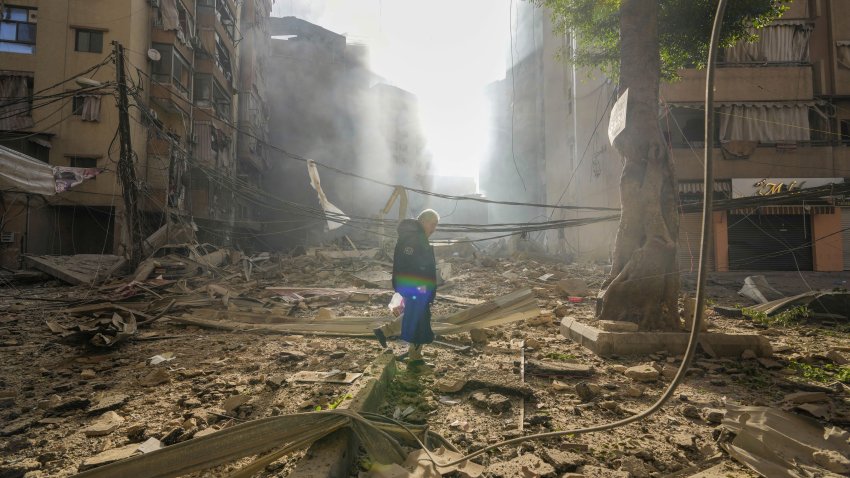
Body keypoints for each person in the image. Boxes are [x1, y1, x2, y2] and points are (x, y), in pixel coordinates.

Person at [374, 209, 439, 369]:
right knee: (419, 319)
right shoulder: (412, 239)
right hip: (416, 287)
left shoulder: (416, 237)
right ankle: (415, 360)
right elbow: (410, 266)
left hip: (417, 286)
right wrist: (421, 287)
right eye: (433, 224)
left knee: (416, 316)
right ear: (423, 221)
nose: (434, 229)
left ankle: (385, 332)